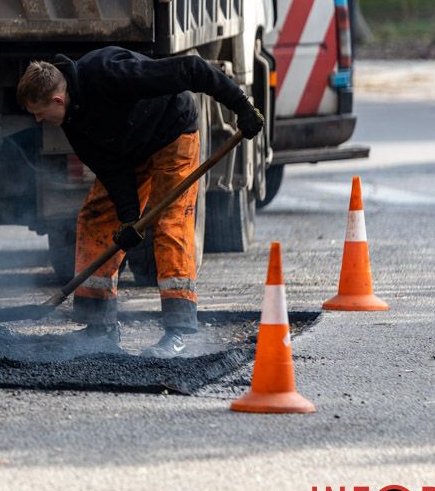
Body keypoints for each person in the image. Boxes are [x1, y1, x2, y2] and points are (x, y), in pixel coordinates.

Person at [17, 47, 264, 357]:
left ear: (57, 100)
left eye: (39, 112)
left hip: (172, 134)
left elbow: (192, 68)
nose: (38, 119)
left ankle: (178, 332)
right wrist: (129, 219)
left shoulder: (111, 74)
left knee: (171, 224)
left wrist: (241, 106)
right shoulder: (72, 119)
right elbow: (111, 169)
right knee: (96, 217)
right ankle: (99, 327)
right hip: (132, 151)